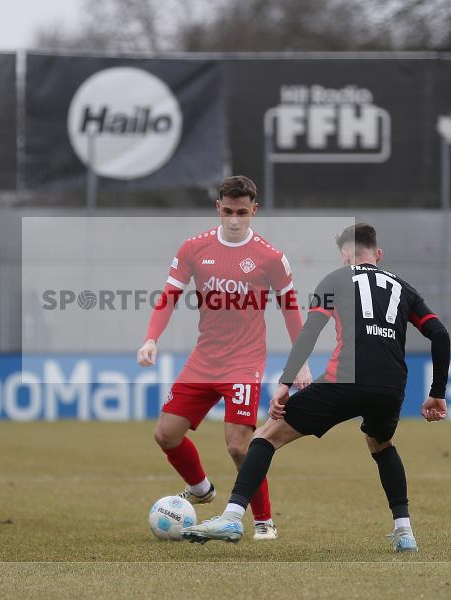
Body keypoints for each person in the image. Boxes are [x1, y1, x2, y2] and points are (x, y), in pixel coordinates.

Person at [181, 223, 450, 552]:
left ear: (344, 255)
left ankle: (233, 516)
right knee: (381, 444)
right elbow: (440, 334)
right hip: (391, 385)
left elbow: (310, 330)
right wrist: (437, 392)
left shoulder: (336, 279)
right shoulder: (404, 289)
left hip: (345, 379)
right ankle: (405, 532)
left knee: (265, 436)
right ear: (378, 254)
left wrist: (285, 382)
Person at [137, 175, 312, 541]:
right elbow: (169, 295)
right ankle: (201, 490)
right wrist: (151, 338)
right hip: (204, 359)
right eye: (228, 211)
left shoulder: (270, 257)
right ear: (217, 207)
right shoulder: (193, 248)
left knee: (238, 445)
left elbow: (291, 310)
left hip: (244, 361)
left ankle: (264, 521)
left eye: (242, 212)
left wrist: (300, 363)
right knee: (166, 435)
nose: (234, 220)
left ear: (254, 210)